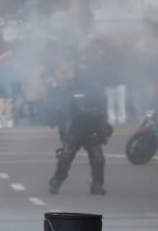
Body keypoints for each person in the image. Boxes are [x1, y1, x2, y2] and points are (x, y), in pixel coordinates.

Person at [48, 65, 113, 196]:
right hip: (75, 128)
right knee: (66, 156)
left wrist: (103, 128)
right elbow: (61, 108)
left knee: (98, 159)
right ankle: (57, 180)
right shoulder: (69, 88)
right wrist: (58, 121)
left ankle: (97, 184)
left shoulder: (97, 90)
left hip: (91, 128)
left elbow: (103, 110)